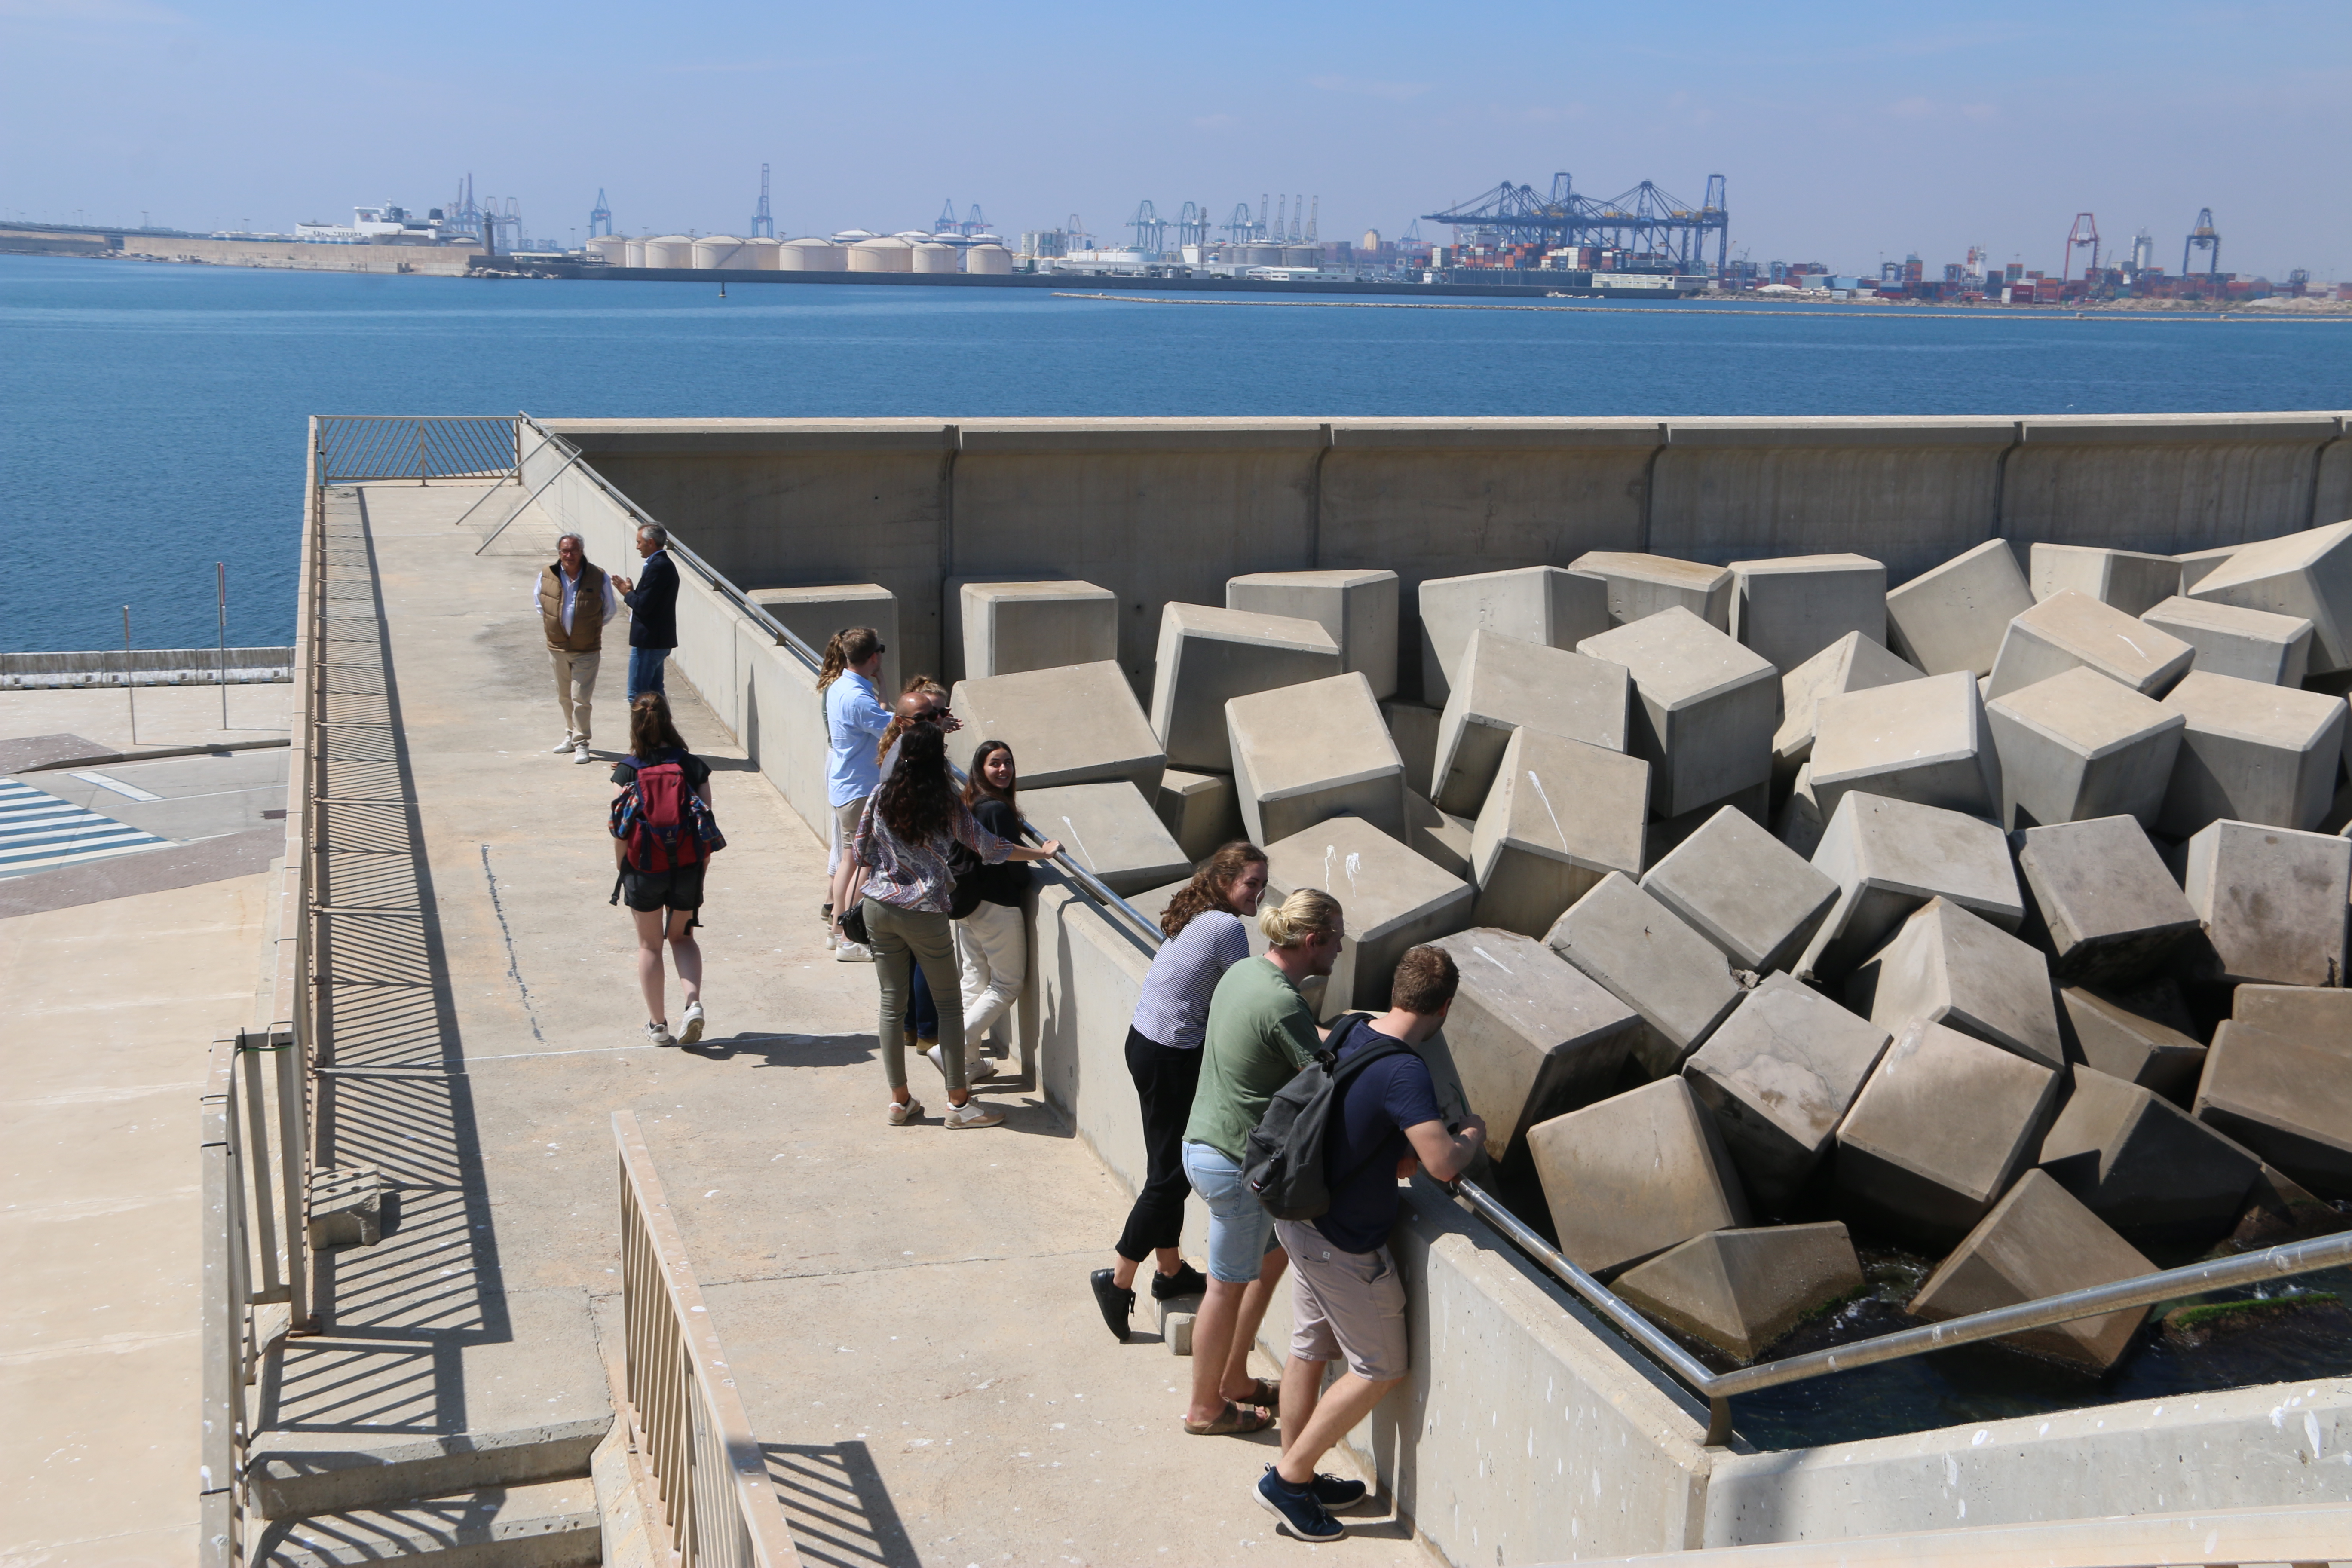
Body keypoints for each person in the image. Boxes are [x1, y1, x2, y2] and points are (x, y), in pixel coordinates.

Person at [1254, 945, 1486, 1541]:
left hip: (1302, 1218)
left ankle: (1296, 1476)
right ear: (1446, 1007)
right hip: (1342, 1243)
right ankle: (1288, 1478)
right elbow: (1438, 1163)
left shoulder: (1354, 1026)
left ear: (1396, 990)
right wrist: (1471, 1136)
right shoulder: (1406, 1069)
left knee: (1309, 1347)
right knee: (1381, 1366)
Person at [1177, 887, 1345, 1436]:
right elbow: (1328, 1083)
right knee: (1224, 1289)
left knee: (1271, 1259)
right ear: (1314, 940)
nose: (1342, 950)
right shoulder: (1284, 1003)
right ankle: (1207, 1407)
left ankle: (1236, 1379)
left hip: (1203, 1143)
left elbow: (1295, 1042)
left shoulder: (1246, 973)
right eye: (1337, 940)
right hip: (1236, 1165)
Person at [1087, 842, 1269, 1342]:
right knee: (1170, 1178)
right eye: (1251, 883)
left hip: (1148, 1043)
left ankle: (1169, 1272)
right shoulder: (1226, 927)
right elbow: (1242, 997)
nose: (1258, 892)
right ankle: (1118, 1278)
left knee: (1165, 1166)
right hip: (1169, 1055)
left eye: (1262, 884)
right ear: (1226, 882)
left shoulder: (1199, 915)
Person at [853, 722, 1060, 1130]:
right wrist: (1041, 852)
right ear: (937, 760)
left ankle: (899, 1102)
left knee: (891, 1006)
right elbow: (991, 847)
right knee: (949, 1008)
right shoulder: (946, 803)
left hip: (878, 905)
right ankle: (959, 1104)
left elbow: (861, 848)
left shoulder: (880, 795)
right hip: (924, 910)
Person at [610, 694, 715, 1049]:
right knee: (682, 937)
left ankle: (658, 1026)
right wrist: (699, 870)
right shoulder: (693, 766)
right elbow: (706, 827)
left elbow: (620, 829)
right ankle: (693, 1003)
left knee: (649, 946)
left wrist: (624, 870)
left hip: (644, 869)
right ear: (670, 719)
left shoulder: (626, 770)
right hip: (686, 866)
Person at [935, 739, 1036, 1086]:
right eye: (995, 763)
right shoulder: (995, 809)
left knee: (974, 980)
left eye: (1008, 762)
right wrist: (1044, 855)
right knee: (1008, 984)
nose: (1004, 770)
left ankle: (969, 1063)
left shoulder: (970, 802)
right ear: (980, 769)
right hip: (996, 905)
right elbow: (1009, 856)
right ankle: (952, 1045)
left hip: (967, 904)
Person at [818, 628, 890, 963]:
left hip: (844, 787)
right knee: (865, 862)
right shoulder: (859, 698)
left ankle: (837, 931)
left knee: (849, 859)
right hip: (860, 790)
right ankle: (849, 938)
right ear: (874, 657)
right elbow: (892, 728)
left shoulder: (839, 687)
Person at [532, 532, 619, 764]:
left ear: (582, 551)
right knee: (565, 697)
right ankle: (570, 736)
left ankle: (582, 744)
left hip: (587, 650)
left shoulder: (598, 576)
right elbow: (540, 604)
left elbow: (610, 610)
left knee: (581, 698)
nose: (569, 555)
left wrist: (587, 629)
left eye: (573, 551)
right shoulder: (547, 574)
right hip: (558, 648)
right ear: (559, 553)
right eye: (564, 551)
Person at [609, 523, 679, 703]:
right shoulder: (663, 565)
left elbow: (644, 606)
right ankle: (661, 731)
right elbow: (651, 601)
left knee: (638, 696)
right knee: (655, 695)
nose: (637, 546)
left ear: (651, 542)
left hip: (649, 642)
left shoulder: (658, 567)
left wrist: (627, 594)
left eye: (640, 542)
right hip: (657, 641)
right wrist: (633, 593)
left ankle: (644, 732)